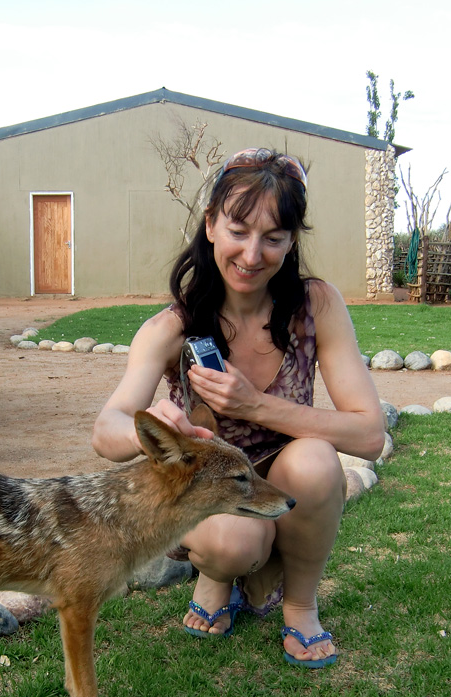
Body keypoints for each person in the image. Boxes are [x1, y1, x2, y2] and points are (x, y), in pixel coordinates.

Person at [92, 148, 385, 668]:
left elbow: (368, 435)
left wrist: (255, 405)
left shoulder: (316, 306)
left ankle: (300, 605)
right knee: (232, 543)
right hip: (214, 494)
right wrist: (151, 429)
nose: (252, 255)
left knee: (316, 461)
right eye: (238, 230)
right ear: (210, 225)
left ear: (292, 241)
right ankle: (220, 574)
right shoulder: (172, 328)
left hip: (288, 481)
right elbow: (105, 430)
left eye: (273, 238)